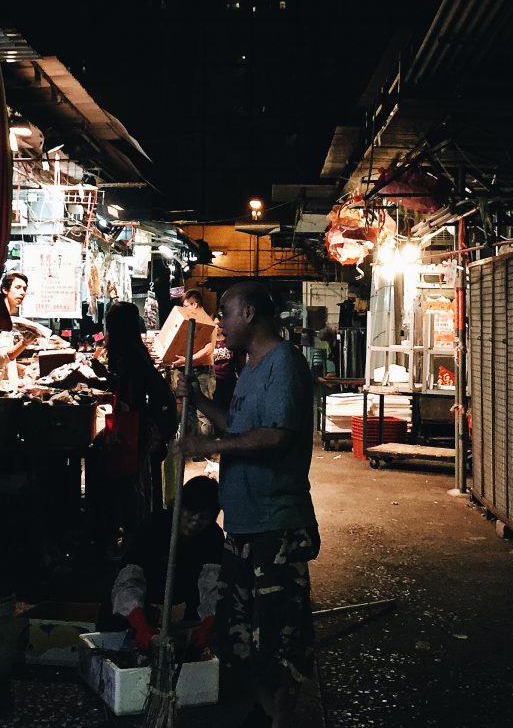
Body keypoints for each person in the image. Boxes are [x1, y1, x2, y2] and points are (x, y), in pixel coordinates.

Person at [176, 282, 319, 728]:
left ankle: (283, 719)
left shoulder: (285, 365)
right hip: (242, 522)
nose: (220, 323)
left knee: (280, 633)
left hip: (275, 524)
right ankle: (262, 709)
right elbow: (238, 425)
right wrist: (197, 401)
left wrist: (210, 443)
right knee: (243, 630)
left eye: (227, 313)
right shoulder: (251, 367)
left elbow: (275, 436)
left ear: (252, 313)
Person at [88, 302, 178, 554]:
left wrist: (103, 376)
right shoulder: (132, 349)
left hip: (138, 423)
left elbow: (133, 388)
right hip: (141, 420)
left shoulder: (127, 352)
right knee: (135, 479)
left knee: (133, 480)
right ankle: (137, 531)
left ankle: (136, 536)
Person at [97, 476, 224, 653]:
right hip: (143, 597)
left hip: (185, 597)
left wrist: (208, 624)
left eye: (203, 517)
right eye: (190, 513)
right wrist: (139, 623)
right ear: (179, 508)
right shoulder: (155, 525)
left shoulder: (213, 537)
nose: (195, 521)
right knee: (117, 636)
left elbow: (212, 585)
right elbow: (130, 576)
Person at [0, 271, 51, 389]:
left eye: (24, 289)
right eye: (18, 287)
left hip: (5, 384)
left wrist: (22, 369)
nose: (22, 292)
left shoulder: (5, 316)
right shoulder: (1, 318)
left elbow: (1, 361)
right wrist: (24, 343)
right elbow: (1, 357)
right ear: (5, 290)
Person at [170, 288, 216, 368]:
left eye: (185, 306)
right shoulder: (194, 321)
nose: (184, 309)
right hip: (190, 368)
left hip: (202, 371)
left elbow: (209, 348)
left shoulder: (207, 321)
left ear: (194, 304)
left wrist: (187, 360)